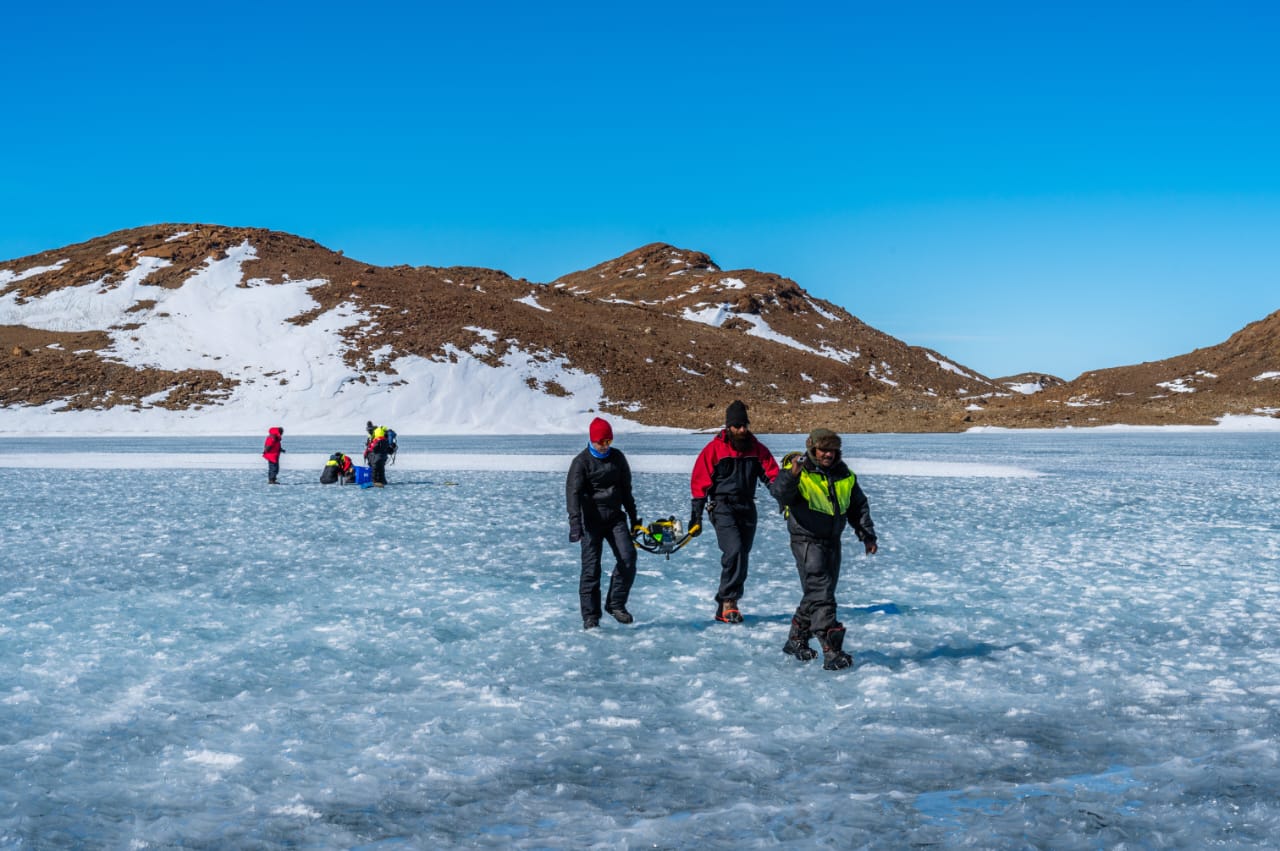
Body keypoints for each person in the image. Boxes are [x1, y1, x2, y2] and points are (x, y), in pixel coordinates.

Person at [769, 428, 878, 670]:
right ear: (813, 449)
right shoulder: (800, 471)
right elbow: (779, 493)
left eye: (833, 450)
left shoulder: (844, 474)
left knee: (818, 592)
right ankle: (831, 650)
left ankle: (796, 638)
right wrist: (792, 474)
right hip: (806, 540)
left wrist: (867, 535)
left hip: (832, 540)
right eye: (823, 450)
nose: (828, 454)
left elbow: (858, 506)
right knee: (822, 592)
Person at [689, 400, 780, 623]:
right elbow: (700, 482)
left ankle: (722, 605)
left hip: (747, 506)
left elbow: (772, 476)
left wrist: (784, 497)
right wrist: (696, 517)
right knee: (735, 550)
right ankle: (730, 600)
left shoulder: (757, 449)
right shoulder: (714, 449)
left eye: (744, 425)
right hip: (722, 506)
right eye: (737, 426)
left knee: (742, 555)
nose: (741, 430)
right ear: (728, 426)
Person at [565, 416, 641, 630]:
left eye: (609, 441)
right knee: (591, 569)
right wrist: (575, 523)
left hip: (615, 518)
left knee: (628, 558)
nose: (606, 446)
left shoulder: (617, 458)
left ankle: (615, 604)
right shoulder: (581, 462)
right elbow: (573, 494)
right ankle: (590, 616)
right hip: (591, 521)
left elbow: (626, 490)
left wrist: (634, 518)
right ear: (593, 440)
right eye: (602, 442)